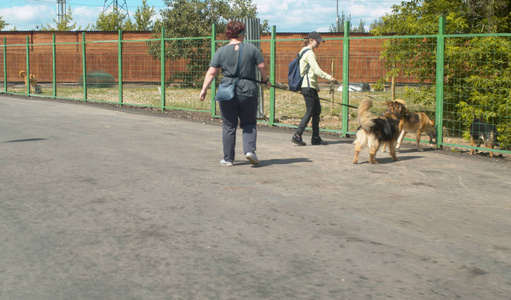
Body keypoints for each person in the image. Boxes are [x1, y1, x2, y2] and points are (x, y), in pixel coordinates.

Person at [200, 21, 271, 166]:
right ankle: (250, 151)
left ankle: (228, 159)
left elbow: (212, 72)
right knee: (249, 123)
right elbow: (262, 67)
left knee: (229, 125)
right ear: (242, 34)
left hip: (227, 92)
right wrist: (266, 80)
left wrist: (204, 89)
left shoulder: (221, 51)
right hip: (248, 91)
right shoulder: (252, 49)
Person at [291, 31, 337, 146]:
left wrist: (316, 86)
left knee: (316, 111)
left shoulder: (305, 52)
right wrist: (329, 77)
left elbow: (311, 72)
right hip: (307, 85)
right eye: (318, 41)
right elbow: (316, 71)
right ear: (311, 40)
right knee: (311, 110)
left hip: (310, 85)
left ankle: (315, 137)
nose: (319, 44)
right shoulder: (309, 53)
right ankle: (297, 135)